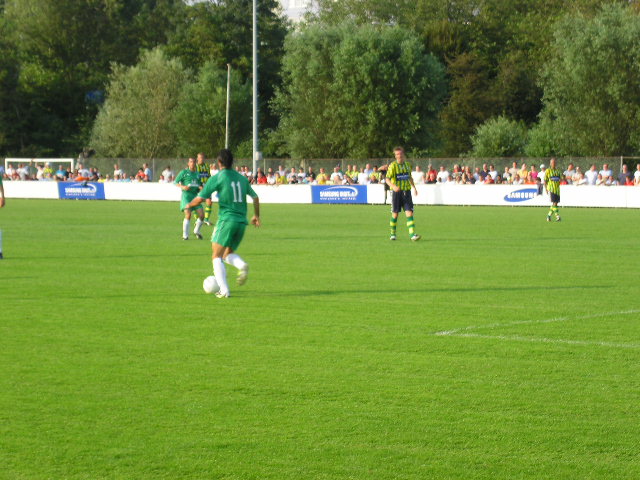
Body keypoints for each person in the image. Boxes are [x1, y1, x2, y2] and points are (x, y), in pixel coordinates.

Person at [186, 149, 260, 298]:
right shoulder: (241, 178)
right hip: (241, 223)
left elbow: (200, 198)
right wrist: (256, 215)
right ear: (232, 162)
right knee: (227, 254)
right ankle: (241, 265)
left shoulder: (218, 177)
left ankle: (224, 290)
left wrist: (188, 205)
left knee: (216, 256)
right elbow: (255, 197)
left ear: (219, 163)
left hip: (227, 220)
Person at [385, 147, 420, 241]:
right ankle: (393, 234)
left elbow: (410, 178)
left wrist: (414, 188)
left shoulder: (407, 165)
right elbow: (387, 179)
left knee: (409, 212)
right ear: (395, 156)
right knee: (395, 214)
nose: (399, 156)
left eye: (400, 154)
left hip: (407, 192)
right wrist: (394, 186)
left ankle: (412, 235)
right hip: (396, 193)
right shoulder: (393, 166)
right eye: (397, 154)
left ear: (403, 154)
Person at [174, 157, 205, 240]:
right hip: (186, 197)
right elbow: (175, 182)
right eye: (191, 162)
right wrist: (183, 186)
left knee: (202, 216)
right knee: (188, 214)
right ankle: (185, 235)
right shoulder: (184, 172)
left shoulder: (198, 174)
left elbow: (200, 186)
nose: (192, 163)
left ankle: (196, 231)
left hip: (195, 197)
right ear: (188, 163)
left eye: (194, 162)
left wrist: (201, 188)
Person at [196, 153, 214, 225]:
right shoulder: (195, 167)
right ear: (197, 158)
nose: (201, 159)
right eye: (200, 158)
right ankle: (197, 220)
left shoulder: (207, 166)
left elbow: (209, 176)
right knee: (197, 203)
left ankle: (206, 220)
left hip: (206, 186)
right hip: (198, 186)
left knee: (209, 202)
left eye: (203, 158)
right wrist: (198, 186)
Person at [544, 157, 563, 222]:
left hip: (557, 189)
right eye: (552, 163)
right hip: (551, 189)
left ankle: (548, 216)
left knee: (555, 203)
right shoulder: (548, 171)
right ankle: (557, 216)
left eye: (554, 162)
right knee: (554, 203)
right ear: (550, 163)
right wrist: (546, 188)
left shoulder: (558, 171)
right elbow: (545, 180)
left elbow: (561, 178)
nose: (553, 164)